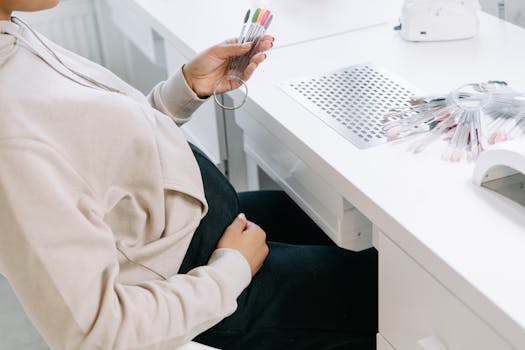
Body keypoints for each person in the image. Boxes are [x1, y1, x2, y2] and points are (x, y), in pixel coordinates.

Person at [0, 1, 378, 349]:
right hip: (192, 285)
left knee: (305, 215)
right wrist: (231, 271)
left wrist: (182, 91)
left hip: (189, 233)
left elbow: (91, 157)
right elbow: (96, 332)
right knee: (381, 292)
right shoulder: (8, 134)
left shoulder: (12, 38)